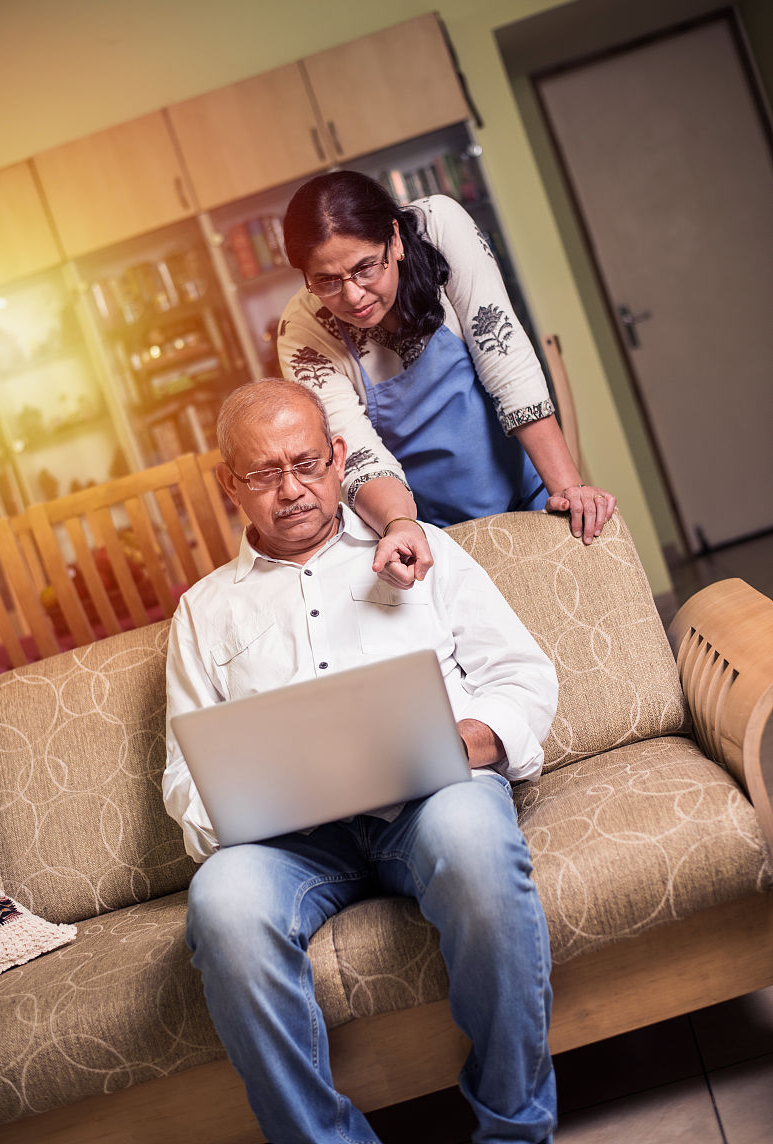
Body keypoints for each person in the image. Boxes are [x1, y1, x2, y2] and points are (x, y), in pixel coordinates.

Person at [164, 379, 560, 1144]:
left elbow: (523, 678)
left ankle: (514, 1130)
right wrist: (248, 796)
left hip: (431, 801)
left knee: (474, 842)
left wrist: (462, 745)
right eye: (261, 474)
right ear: (227, 485)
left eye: (307, 463)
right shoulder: (204, 612)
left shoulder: (424, 549)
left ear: (338, 457)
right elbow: (185, 777)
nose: (290, 490)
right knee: (222, 903)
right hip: (295, 844)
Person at [278, 169, 616, 588]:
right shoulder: (301, 329)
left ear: (395, 240)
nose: (353, 296)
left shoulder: (440, 226)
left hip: (528, 494)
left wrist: (569, 489)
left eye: (365, 267)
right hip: (431, 538)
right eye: (327, 281)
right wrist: (401, 525)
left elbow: (502, 351)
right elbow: (355, 448)